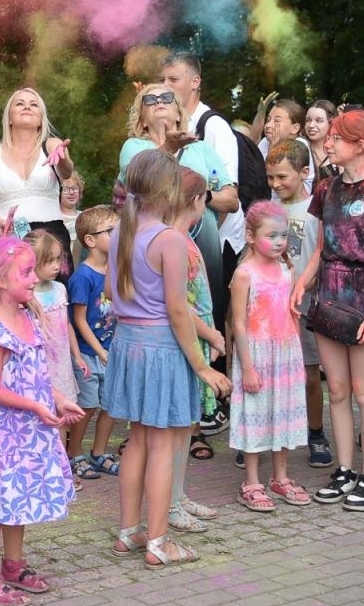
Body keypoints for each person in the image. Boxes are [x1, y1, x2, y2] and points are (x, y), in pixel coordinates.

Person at [104, 151, 231, 569]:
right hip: (160, 349)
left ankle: (129, 531)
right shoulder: (169, 240)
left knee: (138, 440)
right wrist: (201, 366)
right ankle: (159, 541)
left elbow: (111, 291)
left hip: (128, 344)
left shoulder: (121, 232)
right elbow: (177, 309)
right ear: (169, 190)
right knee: (160, 446)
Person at [293, 108, 364, 513]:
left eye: (336, 137)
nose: (328, 142)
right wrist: (302, 283)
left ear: (359, 144)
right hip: (328, 295)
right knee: (337, 390)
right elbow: (322, 248)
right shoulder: (326, 188)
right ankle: (344, 470)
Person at [0, 237, 82, 606]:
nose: (34, 278)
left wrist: (57, 398)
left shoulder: (27, 318)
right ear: (0, 281)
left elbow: (36, 374)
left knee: (19, 496)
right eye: (26, 272)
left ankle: (13, 565)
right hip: (1, 435)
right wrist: (34, 406)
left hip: (26, 431)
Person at [118, 80, 235, 343]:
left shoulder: (201, 149)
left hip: (202, 243)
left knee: (209, 307)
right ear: (142, 119)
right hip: (152, 245)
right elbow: (141, 180)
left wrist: (202, 195)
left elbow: (232, 200)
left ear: (179, 113)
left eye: (166, 98)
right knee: (165, 306)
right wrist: (169, 149)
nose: (159, 102)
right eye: (150, 100)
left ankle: (212, 361)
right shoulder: (133, 147)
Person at [228, 201, 311, 512]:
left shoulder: (287, 270)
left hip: (285, 353)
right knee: (256, 416)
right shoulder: (244, 274)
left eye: (283, 235)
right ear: (250, 236)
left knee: (282, 414)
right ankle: (251, 481)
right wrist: (247, 368)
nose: (279, 242)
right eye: (271, 235)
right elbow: (238, 324)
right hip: (257, 356)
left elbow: (291, 315)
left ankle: (280, 477)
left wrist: (298, 358)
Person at [158, 52, 244, 304]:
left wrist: (204, 236)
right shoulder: (166, 124)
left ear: (195, 82)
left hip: (216, 243)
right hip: (178, 240)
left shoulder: (213, 126)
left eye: (173, 79)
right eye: (162, 80)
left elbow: (230, 196)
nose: (165, 86)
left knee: (210, 311)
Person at [169, 169, 227, 530]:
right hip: (188, 337)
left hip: (197, 333)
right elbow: (180, 305)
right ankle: (170, 503)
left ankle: (178, 495)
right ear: (195, 200)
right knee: (178, 428)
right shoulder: (175, 242)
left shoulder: (184, 238)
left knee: (188, 424)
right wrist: (212, 334)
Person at [266, 139, 329, 468]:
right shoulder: (268, 209)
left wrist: (304, 285)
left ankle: (316, 433)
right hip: (271, 306)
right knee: (270, 373)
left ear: (304, 172)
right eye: (270, 177)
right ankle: (266, 435)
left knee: (308, 374)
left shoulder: (316, 211)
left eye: (282, 177)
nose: (275, 184)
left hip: (305, 303)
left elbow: (321, 256)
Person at [0, 87, 77, 269]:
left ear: (41, 120)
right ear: (9, 118)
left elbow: (67, 172)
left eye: (34, 104)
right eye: (20, 103)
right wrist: (0, 222)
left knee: (55, 288)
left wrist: (63, 158)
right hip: (9, 239)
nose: (27, 107)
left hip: (52, 241)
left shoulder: (52, 145)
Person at [67, 205, 119, 482]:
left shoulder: (116, 269)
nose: (118, 235)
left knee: (111, 405)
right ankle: (74, 453)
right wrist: (100, 352)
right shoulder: (83, 277)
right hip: (89, 354)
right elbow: (79, 320)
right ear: (90, 240)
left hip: (112, 351)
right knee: (87, 406)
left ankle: (99, 453)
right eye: (111, 231)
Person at [25, 230, 86, 411]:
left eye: (58, 259)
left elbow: (66, 325)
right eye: (49, 261)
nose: (56, 266)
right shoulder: (26, 294)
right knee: (42, 409)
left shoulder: (60, 288)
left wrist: (77, 356)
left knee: (64, 410)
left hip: (62, 362)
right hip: (40, 363)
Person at [303, 99, 339, 181]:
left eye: (318, 121)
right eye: (308, 120)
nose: (311, 125)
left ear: (331, 122)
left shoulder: (340, 151)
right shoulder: (300, 150)